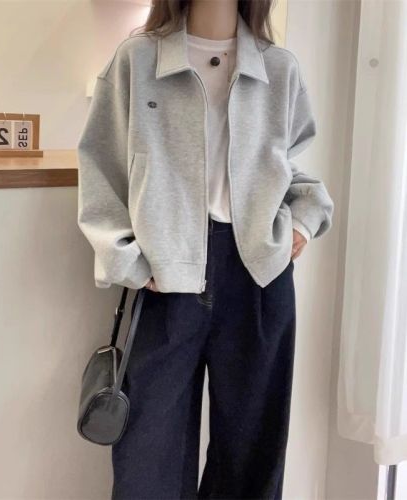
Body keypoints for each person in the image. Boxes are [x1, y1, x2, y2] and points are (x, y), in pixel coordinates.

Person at [77, 0, 334, 498]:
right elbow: (100, 168)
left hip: (258, 275)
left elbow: (286, 165)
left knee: (252, 454)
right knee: (147, 456)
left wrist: (303, 220)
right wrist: (126, 257)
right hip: (166, 276)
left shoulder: (278, 67)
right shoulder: (137, 59)